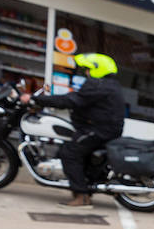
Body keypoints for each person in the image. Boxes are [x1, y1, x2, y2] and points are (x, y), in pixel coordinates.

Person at [21, 53, 125, 208]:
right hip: (102, 128)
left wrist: (36, 99)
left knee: (69, 153)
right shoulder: (108, 85)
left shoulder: (99, 85)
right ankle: (82, 187)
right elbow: (78, 99)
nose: (86, 72)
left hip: (99, 129)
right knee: (76, 151)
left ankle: (81, 196)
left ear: (97, 69)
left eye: (88, 69)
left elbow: (71, 100)